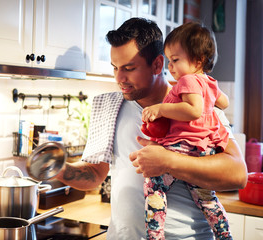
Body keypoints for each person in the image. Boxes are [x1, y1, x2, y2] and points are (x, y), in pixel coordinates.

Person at [55, 17, 247, 240]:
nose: (119, 78)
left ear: (157, 64)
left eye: (129, 68)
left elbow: (237, 174)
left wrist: (168, 161)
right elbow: (94, 174)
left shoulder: (197, 104)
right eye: (115, 68)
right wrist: (57, 168)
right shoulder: (110, 107)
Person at [141, 22, 231, 239]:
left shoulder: (187, 80)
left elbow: (192, 110)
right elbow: (225, 102)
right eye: (169, 60)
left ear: (198, 60)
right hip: (204, 148)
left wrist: (161, 108)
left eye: (176, 59)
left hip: (183, 146)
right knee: (206, 199)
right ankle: (224, 234)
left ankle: (155, 234)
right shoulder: (209, 82)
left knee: (154, 185)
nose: (170, 66)